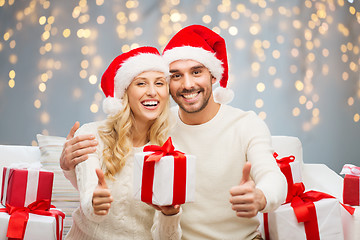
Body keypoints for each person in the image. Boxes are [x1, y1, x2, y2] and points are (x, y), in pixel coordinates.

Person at [61, 25, 287, 240]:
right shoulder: (157, 126)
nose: (187, 84)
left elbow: (271, 175)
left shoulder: (245, 124)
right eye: (176, 76)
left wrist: (261, 196)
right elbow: (113, 165)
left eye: (196, 72)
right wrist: (68, 165)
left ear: (213, 76)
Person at [63, 46, 182, 240]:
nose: (152, 92)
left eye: (159, 83)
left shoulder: (171, 148)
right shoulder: (92, 134)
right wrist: (95, 203)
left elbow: (166, 238)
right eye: (141, 83)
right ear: (125, 92)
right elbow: (89, 195)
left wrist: (170, 214)